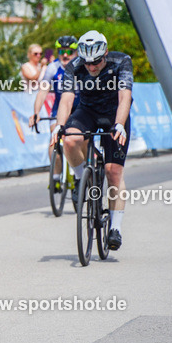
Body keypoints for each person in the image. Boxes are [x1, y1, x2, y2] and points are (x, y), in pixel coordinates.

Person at [53, 30, 133, 250]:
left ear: (105, 53)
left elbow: (124, 95)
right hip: (87, 111)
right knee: (68, 139)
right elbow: (67, 99)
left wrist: (119, 123)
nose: (92, 67)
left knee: (113, 171)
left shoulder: (121, 61)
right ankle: (82, 180)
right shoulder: (75, 66)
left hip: (114, 113)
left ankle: (115, 227)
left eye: (96, 61)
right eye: (87, 63)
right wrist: (60, 125)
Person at [29, 36, 77, 187]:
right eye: (62, 51)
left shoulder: (81, 66)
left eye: (69, 51)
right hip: (59, 108)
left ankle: (81, 172)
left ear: (75, 52)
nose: (65, 55)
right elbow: (43, 92)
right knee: (54, 138)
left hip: (79, 108)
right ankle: (56, 175)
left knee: (79, 139)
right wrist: (36, 113)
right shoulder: (53, 68)